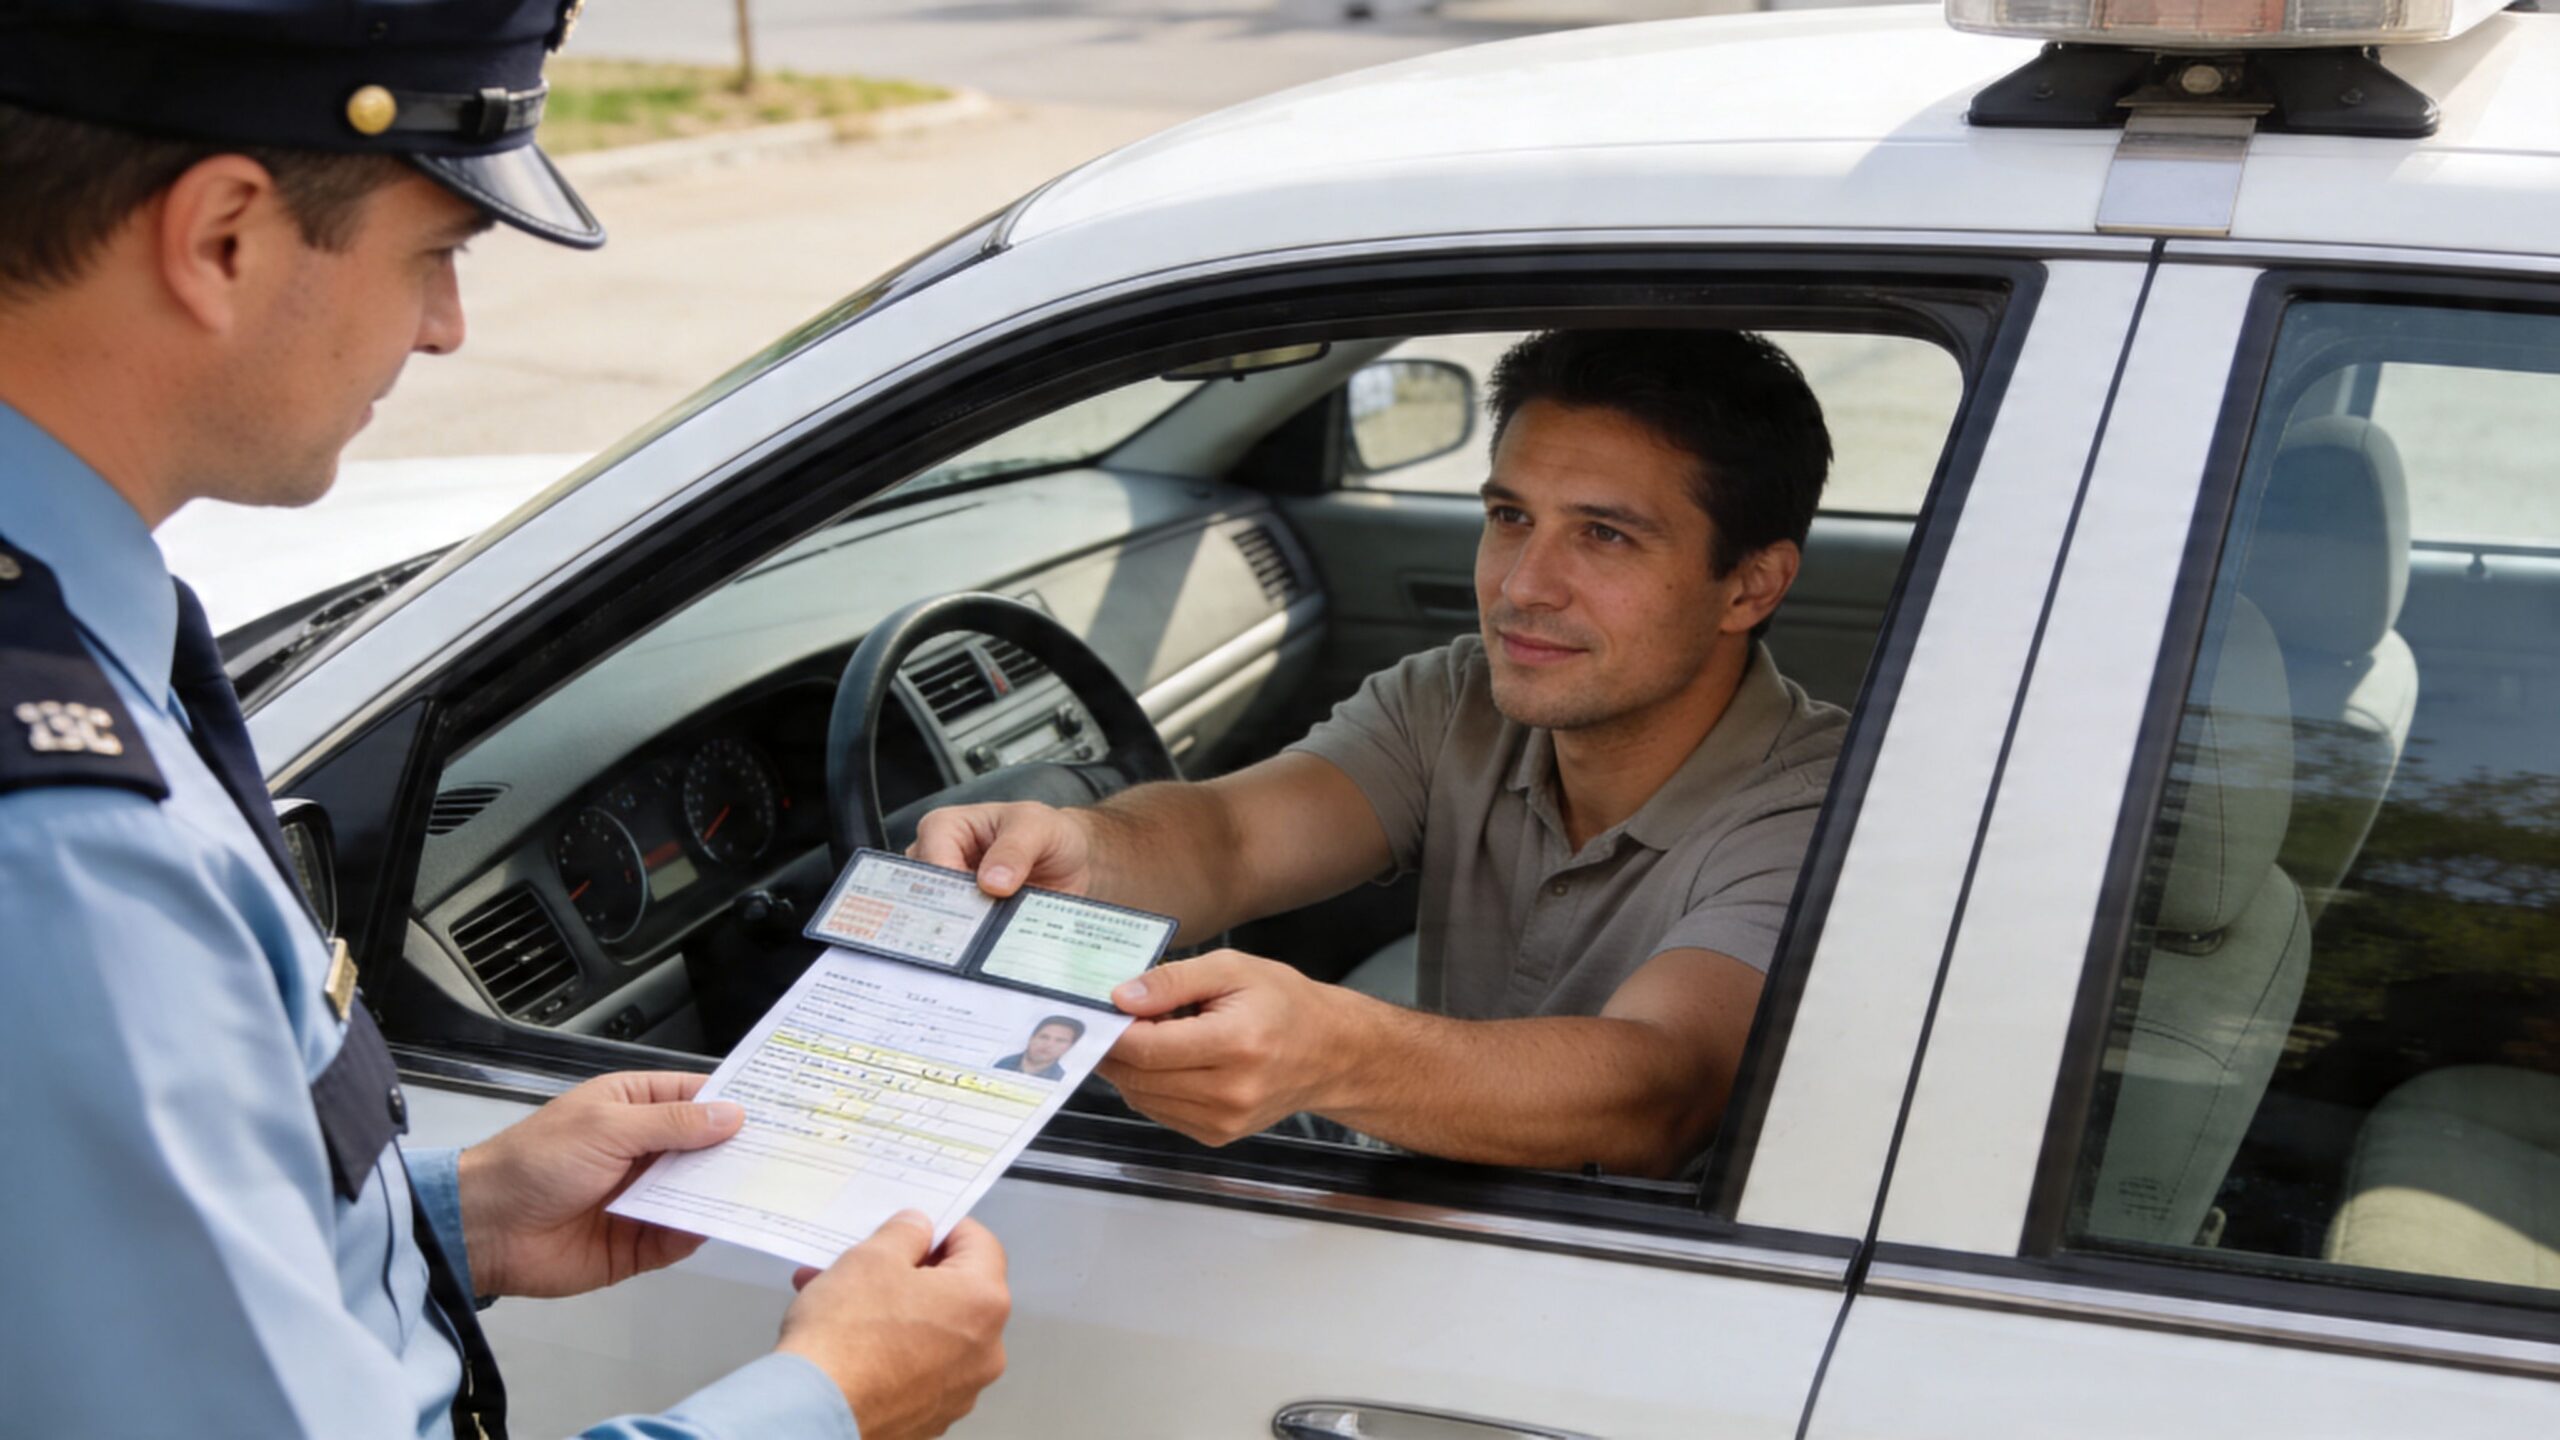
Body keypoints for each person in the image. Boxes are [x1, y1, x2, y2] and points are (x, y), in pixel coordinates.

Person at [0, 5, 1006, 1438]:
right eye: (435, 253)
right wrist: (834, 1402)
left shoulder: (72, 631)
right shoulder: (66, 859)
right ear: (222, 237)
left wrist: (450, 1220)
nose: (446, 327)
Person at [917, 329, 1846, 1178]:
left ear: (1750, 586)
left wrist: (1338, 1053)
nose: (1522, 587)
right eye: (1511, 517)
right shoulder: (1460, 696)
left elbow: (1663, 1089)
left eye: (1604, 535)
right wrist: (1082, 851)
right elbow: (1233, 836)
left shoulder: (1822, 809)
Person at [994, 1015, 1089, 1080]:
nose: (1049, 1044)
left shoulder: (1061, 1078)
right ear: (1031, 1038)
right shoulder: (1001, 1063)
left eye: (1060, 1041)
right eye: (1044, 1037)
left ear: (1069, 1047)